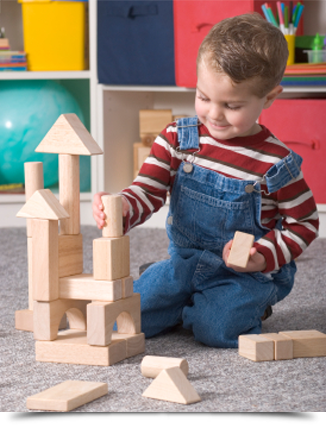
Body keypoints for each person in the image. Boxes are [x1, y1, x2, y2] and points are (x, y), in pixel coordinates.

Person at [93, 13, 319, 348]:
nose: (214, 114)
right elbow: (148, 189)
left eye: (231, 105)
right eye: (203, 97)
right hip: (185, 262)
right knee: (124, 319)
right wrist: (122, 206)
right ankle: (179, 295)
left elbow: (304, 222)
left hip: (243, 276)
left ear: (269, 98)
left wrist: (262, 254)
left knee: (215, 330)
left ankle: (239, 306)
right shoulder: (177, 138)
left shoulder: (277, 163)